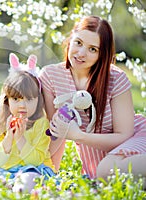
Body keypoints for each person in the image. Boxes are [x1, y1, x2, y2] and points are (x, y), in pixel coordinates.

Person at [39, 15, 146, 183]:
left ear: (101, 54)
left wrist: (79, 136)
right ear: (70, 40)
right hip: (101, 162)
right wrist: (49, 175)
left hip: (136, 141)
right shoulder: (50, 76)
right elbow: (56, 133)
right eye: (78, 43)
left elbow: (125, 135)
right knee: (105, 172)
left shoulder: (115, 78)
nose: (81, 53)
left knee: (106, 170)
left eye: (92, 49)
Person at [0, 53, 56, 193]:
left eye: (29, 99)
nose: (22, 105)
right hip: (7, 170)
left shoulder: (41, 124)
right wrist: (9, 137)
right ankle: (10, 188)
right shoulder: (2, 123)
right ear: (7, 100)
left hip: (35, 170)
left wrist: (20, 139)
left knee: (29, 180)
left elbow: (35, 160)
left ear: (39, 100)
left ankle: (18, 190)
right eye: (16, 99)